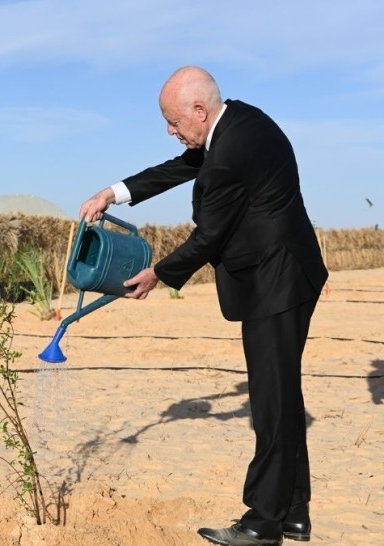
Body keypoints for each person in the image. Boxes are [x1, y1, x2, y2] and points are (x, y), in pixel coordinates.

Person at [79, 66, 327, 546]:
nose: (170, 132)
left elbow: (208, 236)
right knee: (282, 396)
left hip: (275, 280)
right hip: (286, 272)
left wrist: (158, 274)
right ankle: (294, 512)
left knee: (271, 402)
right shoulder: (237, 122)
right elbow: (179, 167)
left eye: (173, 122)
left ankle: (261, 523)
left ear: (198, 110)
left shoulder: (230, 151)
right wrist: (113, 193)